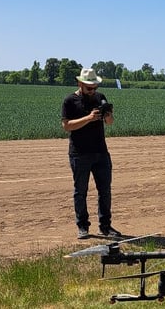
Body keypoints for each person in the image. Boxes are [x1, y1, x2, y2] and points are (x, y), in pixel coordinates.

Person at [61, 68, 121, 239]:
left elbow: (109, 122)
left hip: (101, 152)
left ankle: (105, 226)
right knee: (80, 191)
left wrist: (108, 114)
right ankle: (83, 227)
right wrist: (88, 118)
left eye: (95, 87)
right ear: (80, 83)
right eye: (89, 88)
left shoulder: (100, 97)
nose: (93, 91)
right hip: (79, 153)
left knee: (105, 191)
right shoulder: (70, 101)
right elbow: (67, 126)